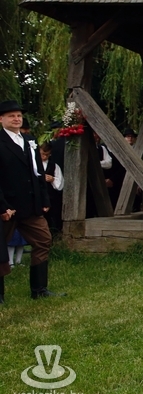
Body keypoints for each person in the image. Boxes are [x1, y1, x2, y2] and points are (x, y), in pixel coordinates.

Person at [0, 100, 65, 303]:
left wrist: (44, 199)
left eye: (19, 115)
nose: (16, 119)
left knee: (43, 240)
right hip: (7, 206)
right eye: (11, 116)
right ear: (1, 119)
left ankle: (39, 289)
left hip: (30, 205)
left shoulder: (30, 140)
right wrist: (2, 206)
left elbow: (38, 173)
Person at [40, 141, 64, 231]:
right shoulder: (33, 165)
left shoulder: (54, 166)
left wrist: (53, 179)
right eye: (42, 154)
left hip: (51, 197)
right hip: (38, 197)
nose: (44, 157)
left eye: (47, 155)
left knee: (52, 218)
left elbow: (60, 184)